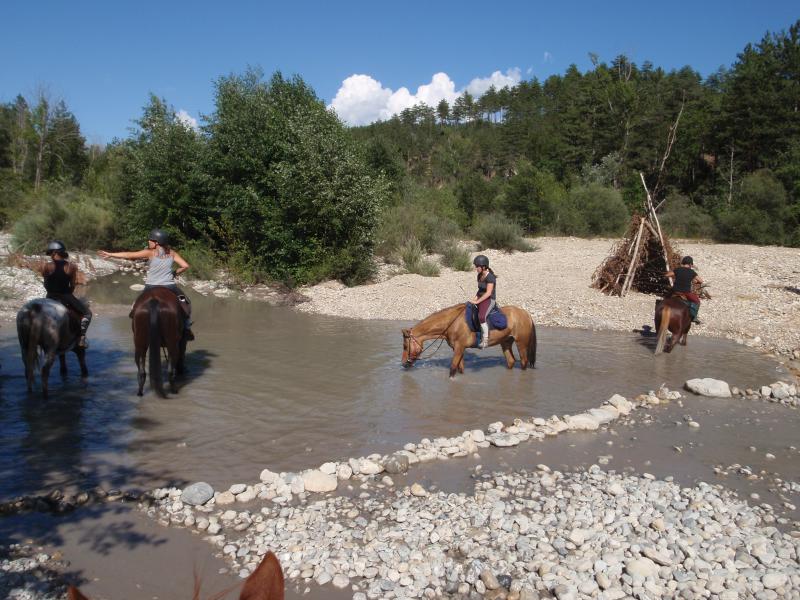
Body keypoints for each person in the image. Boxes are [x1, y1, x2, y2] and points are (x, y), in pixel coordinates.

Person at [98, 229, 194, 340]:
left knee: (136, 305)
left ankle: (136, 324)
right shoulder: (172, 253)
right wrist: (174, 273)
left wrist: (110, 254)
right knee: (185, 302)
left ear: (156, 242)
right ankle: (187, 327)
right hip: (169, 286)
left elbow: (129, 255)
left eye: (151, 239)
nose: (149, 241)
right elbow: (185, 266)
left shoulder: (149, 252)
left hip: (151, 287)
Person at [37, 240, 92, 348]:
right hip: (66, 296)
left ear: (54, 253)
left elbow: (46, 284)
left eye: (50, 253)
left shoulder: (45, 267)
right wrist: (67, 293)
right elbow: (72, 285)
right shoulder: (71, 267)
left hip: (50, 297)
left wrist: (51, 291)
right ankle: (81, 337)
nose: (50, 256)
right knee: (87, 313)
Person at [665, 256, 708, 324]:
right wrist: (696, 282)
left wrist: (675, 275)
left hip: (675, 291)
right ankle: (694, 317)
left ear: (683, 263)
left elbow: (667, 275)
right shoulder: (692, 272)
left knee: (665, 298)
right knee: (697, 301)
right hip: (685, 293)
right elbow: (701, 281)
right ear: (690, 264)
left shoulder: (678, 269)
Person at [468, 254, 496, 349]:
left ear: (484, 267)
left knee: (481, 316)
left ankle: (485, 340)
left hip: (489, 299)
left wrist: (477, 301)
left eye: (477, 266)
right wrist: (474, 299)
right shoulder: (479, 276)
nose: (476, 268)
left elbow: (488, 293)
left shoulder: (490, 277)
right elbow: (480, 290)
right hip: (481, 298)